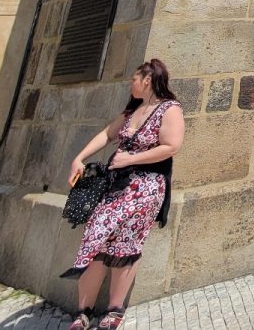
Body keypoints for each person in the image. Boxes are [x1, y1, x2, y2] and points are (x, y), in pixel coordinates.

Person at [63, 60, 184, 330]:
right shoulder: (132, 110)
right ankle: (83, 312)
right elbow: (107, 134)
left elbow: (171, 146)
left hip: (146, 187)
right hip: (118, 186)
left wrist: (131, 158)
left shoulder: (169, 109)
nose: (130, 83)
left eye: (134, 79)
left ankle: (114, 310)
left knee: (126, 244)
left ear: (148, 81)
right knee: (96, 239)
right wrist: (79, 157)